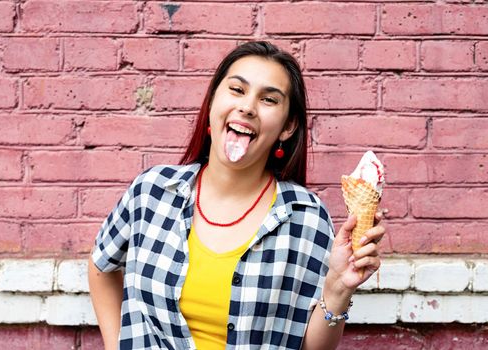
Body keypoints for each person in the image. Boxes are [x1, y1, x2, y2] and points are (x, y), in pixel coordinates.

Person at [88, 41, 386, 350]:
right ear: (213, 100)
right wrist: (116, 344)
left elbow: (311, 348)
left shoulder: (306, 218)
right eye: (237, 90)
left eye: (268, 99)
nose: (247, 107)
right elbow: (100, 267)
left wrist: (338, 289)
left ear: (287, 127)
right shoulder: (151, 191)